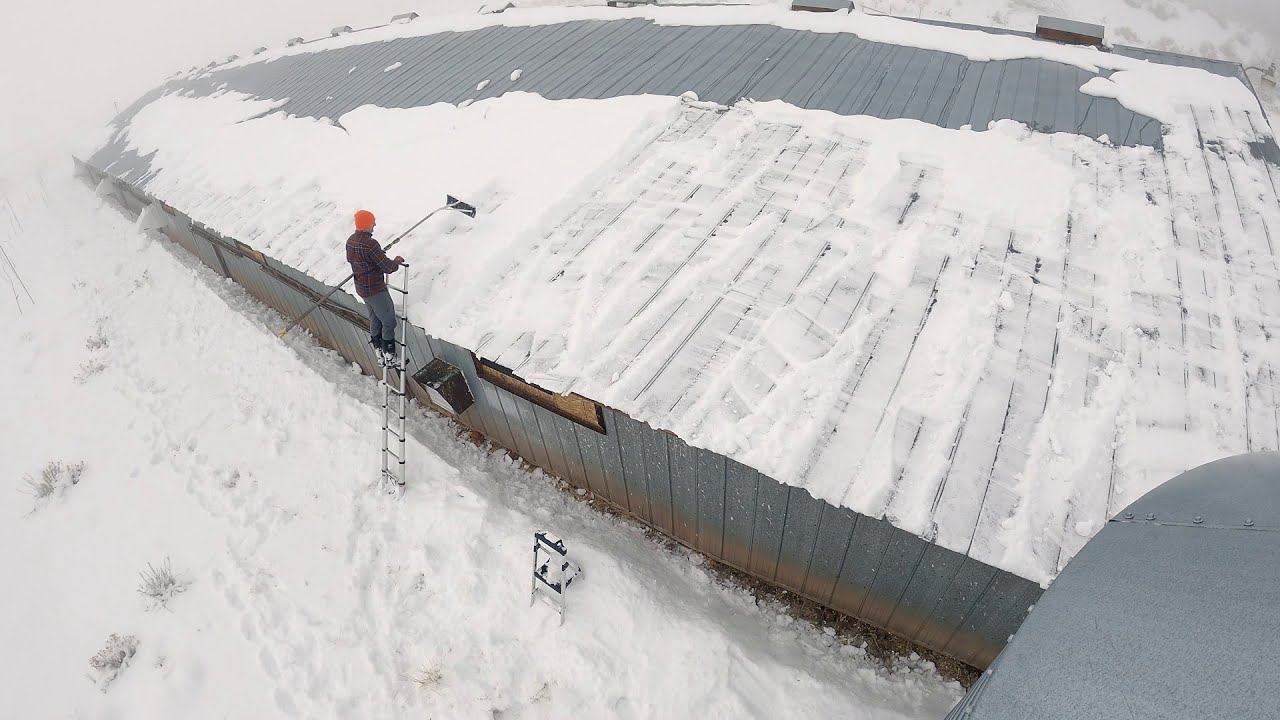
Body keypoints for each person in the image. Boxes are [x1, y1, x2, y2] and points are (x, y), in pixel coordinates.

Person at [345, 209, 404, 363]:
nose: (375, 224)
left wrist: (374, 256)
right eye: (372, 222)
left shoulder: (350, 241)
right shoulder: (371, 244)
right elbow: (388, 267)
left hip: (362, 289)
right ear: (366, 224)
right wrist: (396, 260)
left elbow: (353, 260)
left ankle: (378, 351)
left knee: (375, 319)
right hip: (376, 290)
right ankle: (390, 355)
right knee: (389, 321)